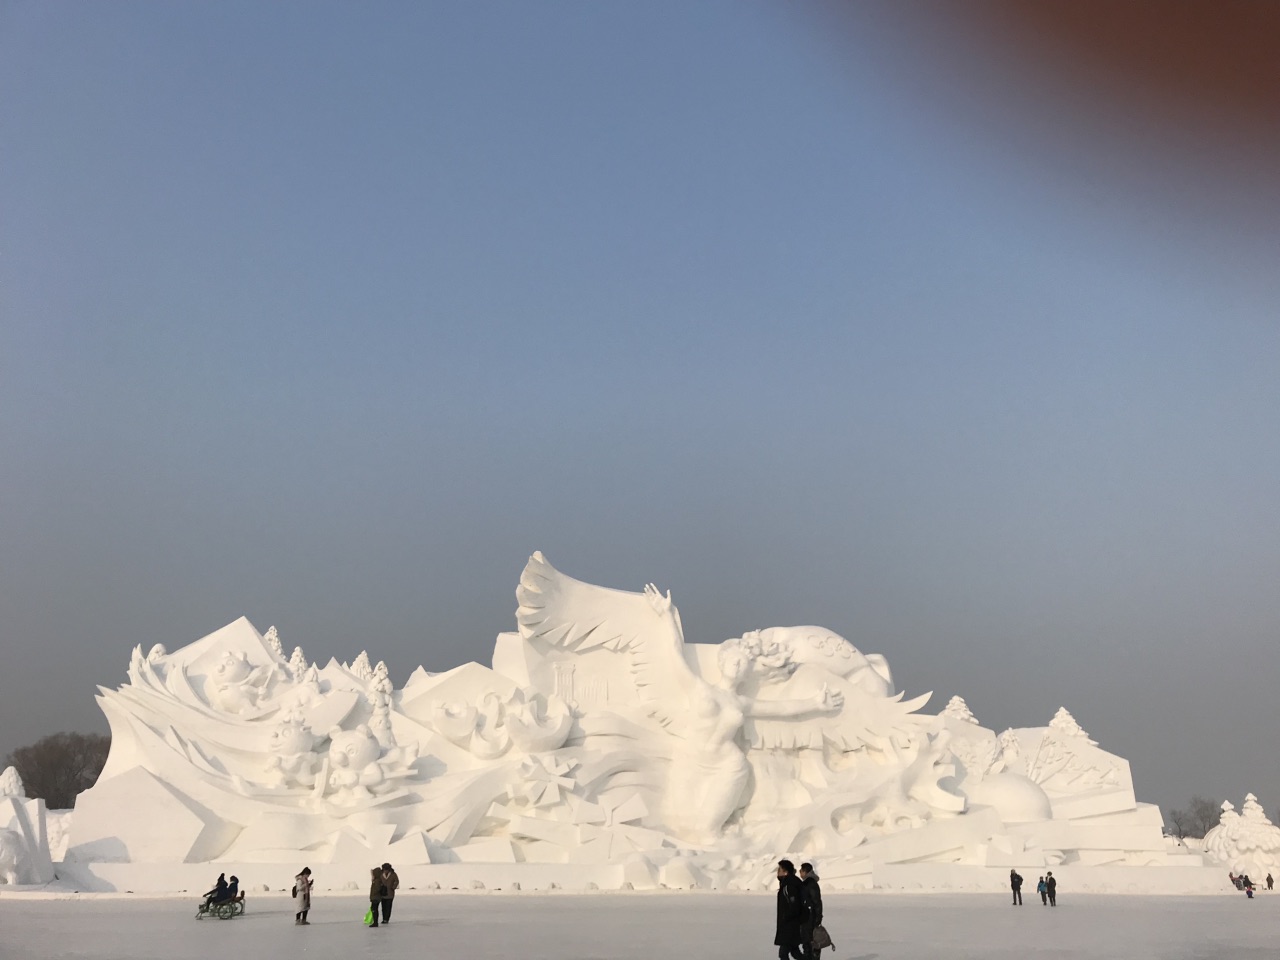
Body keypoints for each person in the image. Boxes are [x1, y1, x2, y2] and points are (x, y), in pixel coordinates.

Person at [775, 860, 806, 960]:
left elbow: (794, 905)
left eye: (779, 869)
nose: (777, 872)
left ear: (785, 872)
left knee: (783, 954)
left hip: (789, 925)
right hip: (791, 925)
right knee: (795, 952)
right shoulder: (788, 883)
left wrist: (786, 917)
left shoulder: (789, 885)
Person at [799, 862, 824, 959]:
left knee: (809, 943)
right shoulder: (809, 883)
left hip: (809, 918)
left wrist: (818, 917)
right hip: (809, 917)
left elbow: (817, 901)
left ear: (805, 872)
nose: (800, 873)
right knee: (810, 943)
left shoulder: (809, 884)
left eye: (801, 871)